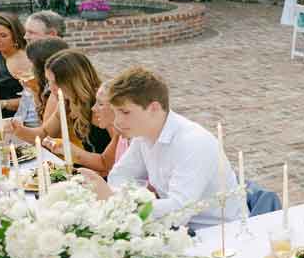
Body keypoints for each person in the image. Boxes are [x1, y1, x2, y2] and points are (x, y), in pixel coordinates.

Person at [88, 67, 242, 228]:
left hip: (219, 234)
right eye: (115, 112)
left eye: (125, 112)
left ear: (154, 108)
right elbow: (120, 176)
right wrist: (126, 200)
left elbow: (179, 212)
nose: (117, 122)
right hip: (175, 228)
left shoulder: (193, 142)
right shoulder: (143, 135)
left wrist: (118, 200)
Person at [36, 49, 112, 158]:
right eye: (49, 81)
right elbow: (45, 133)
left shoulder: (102, 103)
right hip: (89, 169)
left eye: (56, 82)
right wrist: (17, 129)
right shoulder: (68, 102)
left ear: (74, 81)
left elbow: (110, 162)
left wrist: (71, 150)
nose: (51, 88)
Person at [55, 81, 125, 177]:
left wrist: (71, 150)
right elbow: (107, 165)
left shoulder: (131, 137)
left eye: (100, 104)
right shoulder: (119, 134)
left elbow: (105, 164)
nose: (93, 108)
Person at [8, 37, 69, 142]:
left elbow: (45, 135)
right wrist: (34, 92)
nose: (29, 66)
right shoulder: (48, 88)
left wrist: (19, 129)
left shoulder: (56, 94)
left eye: (31, 62)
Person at [0, 13, 30, 117]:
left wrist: (4, 104)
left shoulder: (24, 60)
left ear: (15, 35)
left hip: (15, 119)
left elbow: (34, 99)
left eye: (3, 35)